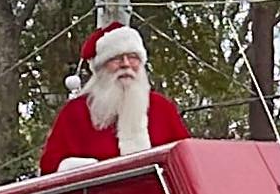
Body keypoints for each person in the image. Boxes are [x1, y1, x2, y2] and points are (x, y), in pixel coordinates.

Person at [39, 20, 190, 174]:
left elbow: (187, 160)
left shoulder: (162, 108)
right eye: (116, 58)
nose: (126, 64)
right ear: (101, 67)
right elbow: (50, 168)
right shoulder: (76, 112)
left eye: (132, 57)